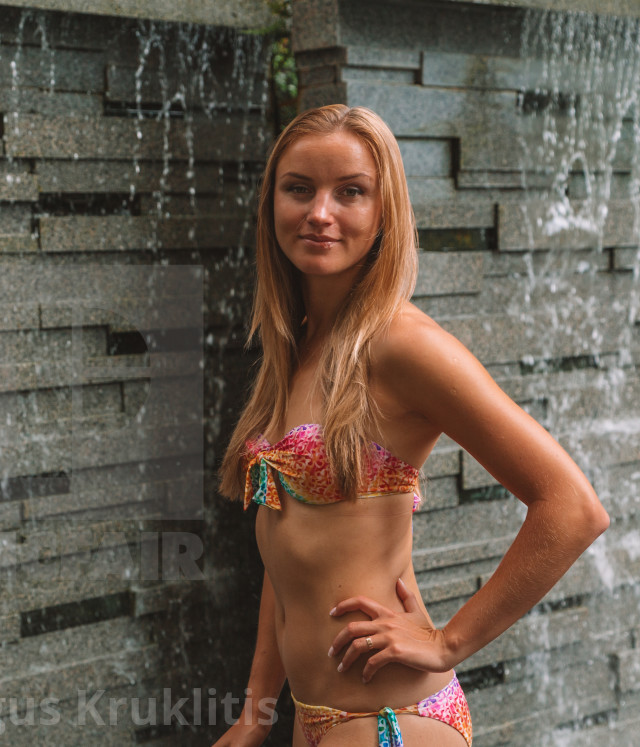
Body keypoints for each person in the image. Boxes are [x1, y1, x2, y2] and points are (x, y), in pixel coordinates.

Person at [210, 104, 609, 747]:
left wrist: (448, 642)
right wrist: (257, 713)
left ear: (384, 211)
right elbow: (288, 557)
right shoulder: (298, 344)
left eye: (350, 192)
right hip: (318, 721)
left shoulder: (402, 345)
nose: (319, 212)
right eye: (299, 188)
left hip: (391, 724)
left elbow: (572, 507)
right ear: (271, 203)